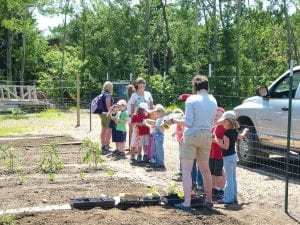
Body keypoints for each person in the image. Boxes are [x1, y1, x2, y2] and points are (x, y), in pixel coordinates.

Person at [167, 75, 217, 210]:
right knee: (206, 170)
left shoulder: (191, 99)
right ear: (207, 86)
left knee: (187, 170)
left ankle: (187, 202)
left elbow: (188, 123)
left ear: (195, 86)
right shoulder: (213, 100)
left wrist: (173, 120)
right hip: (206, 135)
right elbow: (212, 122)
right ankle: (209, 200)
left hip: (192, 135)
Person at [213, 110, 249, 204]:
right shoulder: (234, 131)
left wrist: (215, 140)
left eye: (224, 121)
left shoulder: (226, 133)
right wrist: (245, 130)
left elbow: (225, 146)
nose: (222, 123)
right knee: (233, 178)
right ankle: (234, 197)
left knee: (229, 178)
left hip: (228, 158)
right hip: (233, 156)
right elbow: (241, 136)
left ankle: (228, 199)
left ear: (229, 122)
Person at [209, 107, 226, 199]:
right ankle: (214, 188)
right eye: (215, 115)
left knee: (219, 173)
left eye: (218, 115)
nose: (216, 117)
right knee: (212, 172)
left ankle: (221, 189)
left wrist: (215, 140)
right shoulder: (214, 127)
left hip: (219, 154)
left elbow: (225, 142)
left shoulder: (224, 127)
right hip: (211, 153)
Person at [150, 104, 167, 169]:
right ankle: (157, 161)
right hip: (156, 135)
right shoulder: (159, 119)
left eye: (157, 111)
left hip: (160, 136)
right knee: (156, 149)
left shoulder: (164, 119)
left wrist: (156, 126)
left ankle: (160, 163)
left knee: (159, 149)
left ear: (161, 111)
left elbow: (166, 127)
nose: (156, 113)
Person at [99, 81, 114, 154]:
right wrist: (111, 114)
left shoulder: (102, 94)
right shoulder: (108, 95)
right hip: (107, 114)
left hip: (102, 113)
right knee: (109, 130)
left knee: (104, 129)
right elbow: (108, 106)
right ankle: (107, 144)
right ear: (110, 87)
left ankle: (103, 145)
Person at [126, 84, 135, 151]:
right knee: (131, 132)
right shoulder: (130, 98)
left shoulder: (132, 98)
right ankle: (130, 146)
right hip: (129, 117)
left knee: (132, 132)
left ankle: (132, 147)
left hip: (131, 117)